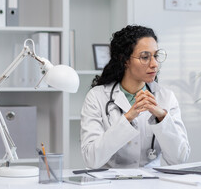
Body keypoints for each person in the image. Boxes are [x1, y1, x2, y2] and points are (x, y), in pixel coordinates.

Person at [80, 25, 190, 169]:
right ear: (124, 59)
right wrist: (127, 119)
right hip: (111, 183)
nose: (154, 64)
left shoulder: (166, 97)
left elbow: (179, 159)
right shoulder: (97, 97)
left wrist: (162, 117)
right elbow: (91, 159)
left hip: (152, 183)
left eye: (155, 56)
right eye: (145, 57)